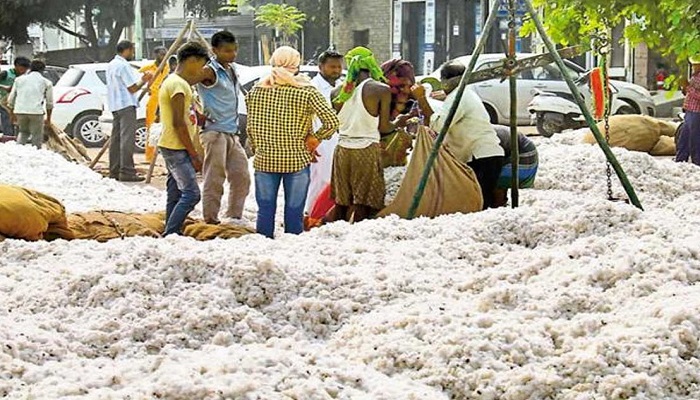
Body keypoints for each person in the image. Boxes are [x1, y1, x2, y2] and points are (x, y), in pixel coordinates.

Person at [246, 46, 339, 238]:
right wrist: (315, 139)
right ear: (296, 65)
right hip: (297, 160)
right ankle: (291, 251)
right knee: (294, 212)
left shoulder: (256, 91)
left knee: (265, 211)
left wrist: (259, 148)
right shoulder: (306, 91)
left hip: (265, 161)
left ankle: (263, 252)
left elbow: (251, 129)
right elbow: (332, 121)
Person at [330, 47, 411, 223]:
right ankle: (357, 237)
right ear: (371, 63)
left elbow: (337, 127)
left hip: (342, 150)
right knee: (364, 202)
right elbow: (384, 128)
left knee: (342, 201)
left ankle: (336, 234)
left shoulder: (336, 92)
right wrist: (401, 122)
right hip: (366, 150)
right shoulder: (380, 90)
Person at [430, 60, 504, 209]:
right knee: (481, 201)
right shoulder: (464, 94)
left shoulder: (458, 97)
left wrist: (421, 100)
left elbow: (440, 126)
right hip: (485, 154)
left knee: (479, 202)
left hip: (480, 156)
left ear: (447, 81)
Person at [197, 31, 250, 225]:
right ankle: (210, 219)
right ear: (215, 50)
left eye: (235, 50)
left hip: (231, 132)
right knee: (214, 178)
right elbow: (183, 84)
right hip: (214, 132)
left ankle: (234, 216)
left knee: (242, 176)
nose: (232, 54)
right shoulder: (209, 71)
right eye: (227, 51)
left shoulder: (232, 69)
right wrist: (194, 112)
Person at [158, 42, 210, 236]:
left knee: (175, 193)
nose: (202, 70)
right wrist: (193, 154)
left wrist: (199, 117)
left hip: (173, 145)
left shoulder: (178, 83)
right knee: (191, 194)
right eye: (202, 64)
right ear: (191, 61)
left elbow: (186, 113)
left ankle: (172, 231)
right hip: (176, 146)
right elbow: (178, 123)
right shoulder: (177, 85)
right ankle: (170, 232)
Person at [106, 40, 153, 182]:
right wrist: (144, 80)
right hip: (126, 105)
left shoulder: (111, 65)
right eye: (132, 51)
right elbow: (132, 88)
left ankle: (115, 170)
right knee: (127, 140)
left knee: (116, 139)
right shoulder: (123, 65)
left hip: (115, 105)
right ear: (126, 50)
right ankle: (127, 171)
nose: (132, 53)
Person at [305, 49, 344, 214]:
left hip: (338, 138)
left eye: (338, 67)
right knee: (320, 178)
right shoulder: (313, 87)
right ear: (321, 67)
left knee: (335, 180)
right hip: (319, 140)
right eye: (332, 67)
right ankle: (312, 213)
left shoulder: (342, 86)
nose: (336, 70)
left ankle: (327, 213)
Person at [7, 59, 53, 149]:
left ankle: (18, 151)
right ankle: (36, 154)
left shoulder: (19, 80)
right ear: (42, 70)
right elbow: (49, 103)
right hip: (36, 112)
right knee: (37, 135)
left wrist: (12, 114)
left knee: (23, 132)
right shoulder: (46, 82)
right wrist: (48, 118)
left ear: (30, 68)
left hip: (20, 111)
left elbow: (10, 99)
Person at [492, 125, 539, 207]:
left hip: (523, 159)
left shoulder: (483, 134)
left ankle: (498, 204)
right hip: (524, 156)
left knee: (491, 178)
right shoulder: (481, 128)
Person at [139, 46, 170, 161]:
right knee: (151, 127)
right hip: (154, 99)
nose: (163, 57)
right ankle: (149, 156)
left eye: (165, 54)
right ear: (155, 55)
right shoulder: (147, 68)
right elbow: (138, 81)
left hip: (167, 99)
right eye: (161, 54)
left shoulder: (169, 68)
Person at [676, 56, 700, 165]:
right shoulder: (695, 76)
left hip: (696, 111)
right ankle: (681, 160)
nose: (694, 67)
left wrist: (688, 88)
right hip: (689, 110)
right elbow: (690, 93)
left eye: (696, 64)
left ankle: (696, 162)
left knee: (694, 138)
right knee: (684, 137)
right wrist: (684, 89)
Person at [0, 57, 30, 136]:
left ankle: (16, 136)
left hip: (15, 102)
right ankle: (9, 136)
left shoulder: (24, 77)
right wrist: (5, 87)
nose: (24, 71)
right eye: (22, 68)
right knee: (7, 117)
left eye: (26, 69)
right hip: (3, 101)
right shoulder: (6, 73)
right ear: (17, 66)